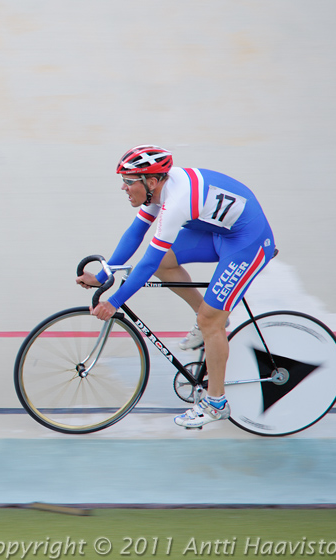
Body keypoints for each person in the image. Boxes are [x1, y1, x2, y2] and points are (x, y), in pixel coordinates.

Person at [76, 145, 275, 429]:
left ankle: (216, 402)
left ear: (151, 181)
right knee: (166, 264)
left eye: (128, 181)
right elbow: (135, 233)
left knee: (210, 320)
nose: (123, 187)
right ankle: (208, 320)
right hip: (221, 233)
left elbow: (146, 262)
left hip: (247, 242)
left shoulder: (177, 202)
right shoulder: (158, 190)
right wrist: (101, 275)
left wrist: (114, 302)